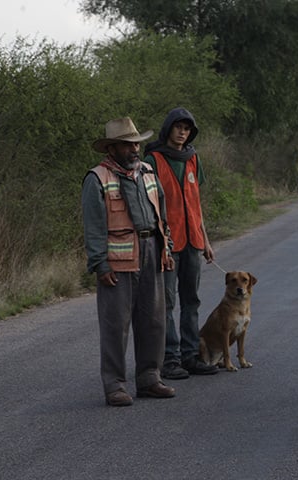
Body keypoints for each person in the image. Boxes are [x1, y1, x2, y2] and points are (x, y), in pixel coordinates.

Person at [82, 117, 177, 407]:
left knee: (154, 320)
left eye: (136, 143)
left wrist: (167, 248)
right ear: (112, 148)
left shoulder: (148, 171)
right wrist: (100, 264)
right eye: (127, 145)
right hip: (118, 260)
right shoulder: (97, 178)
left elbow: (162, 213)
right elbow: (93, 226)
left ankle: (149, 378)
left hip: (152, 251)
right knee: (115, 325)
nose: (134, 149)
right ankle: (115, 386)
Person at [143, 107, 219, 379]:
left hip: (194, 242)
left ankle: (191, 356)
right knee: (167, 303)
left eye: (187, 129)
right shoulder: (153, 159)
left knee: (192, 300)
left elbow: (195, 204)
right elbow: (147, 206)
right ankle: (170, 359)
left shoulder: (193, 158)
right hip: (167, 244)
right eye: (178, 127)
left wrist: (206, 241)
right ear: (168, 129)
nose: (182, 132)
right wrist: (155, 243)